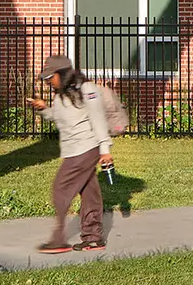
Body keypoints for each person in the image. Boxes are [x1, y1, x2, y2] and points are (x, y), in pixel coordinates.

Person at [26, 54, 125, 253]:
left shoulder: (87, 90)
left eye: (50, 77)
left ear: (62, 73)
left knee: (61, 188)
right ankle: (93, 238)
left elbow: (97, 119)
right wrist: (44, 109)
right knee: (90, 193)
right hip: (73, 149)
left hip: (86, 148)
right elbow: (60, 118)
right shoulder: (61, 94)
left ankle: (58, 240)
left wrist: (105, 150)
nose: (48, 82)